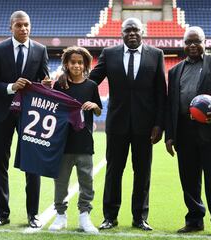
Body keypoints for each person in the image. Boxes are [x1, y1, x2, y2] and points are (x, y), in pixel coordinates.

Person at [60, 17, 166, 230]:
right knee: (114, 171)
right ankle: (110, 216)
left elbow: (161, 93)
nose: (132, 33)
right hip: (117, 124)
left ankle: (140, 217)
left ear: (142, 32)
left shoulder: (156, 55)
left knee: (143, 172)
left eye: (136, 29)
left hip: (145, 127)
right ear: (121, 33)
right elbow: (91, 81)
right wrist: (66, 78)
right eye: (128, 30)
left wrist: (159, 124)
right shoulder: (110, 54)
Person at [165, 26, 211, 238]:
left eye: (196, 41)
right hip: (184, 131)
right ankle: (194, 220)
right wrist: (170, 135)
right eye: (188, 42)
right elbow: (171, 105)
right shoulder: (174, 70)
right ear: (183, 44)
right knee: (189, 180)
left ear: (205, 42)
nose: (192, 45)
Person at [0, 10, 49, 228]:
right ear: (10, 27)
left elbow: (44, 80)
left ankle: (33, 215)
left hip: (30, 116)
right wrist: (11, 87)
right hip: (3, 114)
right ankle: (2, 214)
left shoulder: (40, 50)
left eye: (27, 25)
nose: (24, 29)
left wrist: (46, 85)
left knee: (32, 164)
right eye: (19, 25)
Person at [48, 46, 102, 234]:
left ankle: (84, 215)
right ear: (66, 64)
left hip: (84, 143)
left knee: (86, 180)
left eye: (80, 62)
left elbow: (99, 110)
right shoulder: (59, 85)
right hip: (62, 143)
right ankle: (60, 215)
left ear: (86, 65)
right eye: (73, 62)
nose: (77, 65)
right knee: (61, 182)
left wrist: (95, 105)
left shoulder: (91, 86)